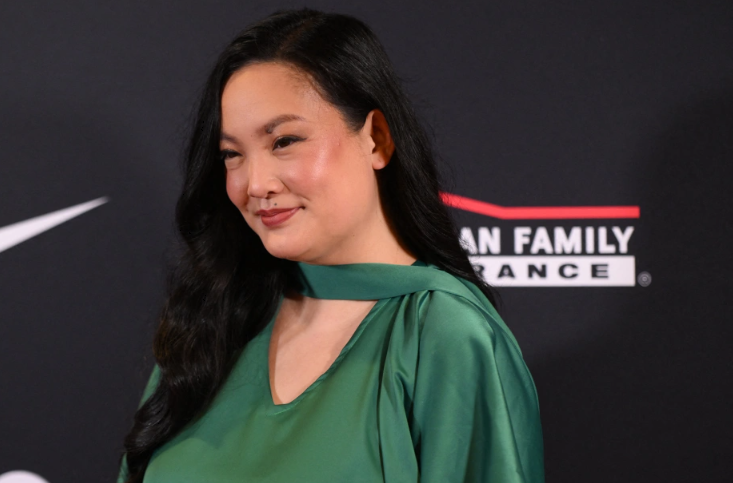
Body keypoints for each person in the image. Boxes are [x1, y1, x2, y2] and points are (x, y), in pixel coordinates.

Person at [117, 8, 544, 483]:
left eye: (284, 141)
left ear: (376, 139)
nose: (255, 184)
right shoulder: (213, 319)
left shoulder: (446, 336)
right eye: (232, 154)